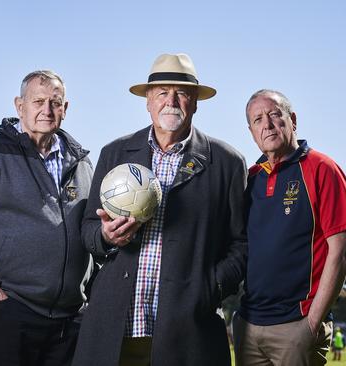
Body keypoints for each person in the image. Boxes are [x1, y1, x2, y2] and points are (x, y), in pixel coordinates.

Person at [73, 53, 247, 366]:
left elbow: (242, 244)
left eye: (182, 93)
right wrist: (105, 235)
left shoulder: (227, 163)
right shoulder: (115, 153)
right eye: (162, 93)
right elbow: (88, 228)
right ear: (148, 101)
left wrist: (209, 288)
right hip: (116, 325)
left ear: (195, 102)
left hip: (188, 327)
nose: (172, 101)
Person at [0, 69, 94, 365]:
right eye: (38, 101)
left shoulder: (82, 162)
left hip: (69, 316)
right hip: (10, 309)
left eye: (55, 102)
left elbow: (89, 228)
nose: (46, 110)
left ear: (66, 108)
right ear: (19, 105)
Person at [233, 89, 346, 366]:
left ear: (293, 120)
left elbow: (342, 252)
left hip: (297, 326)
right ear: (251, 131)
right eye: (257, 120)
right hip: (249, 326)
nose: (266, 124)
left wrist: (312, 323)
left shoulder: (322, 168)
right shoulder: (250, 179)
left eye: (275, 115)